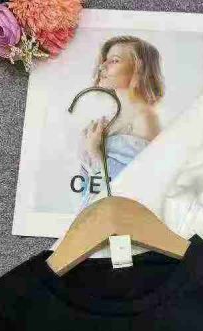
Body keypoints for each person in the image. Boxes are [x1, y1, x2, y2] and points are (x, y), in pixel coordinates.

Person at [77, 35, 164, 208]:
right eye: (105, 60)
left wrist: (94, 152)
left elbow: (137, 189)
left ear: (138, 67)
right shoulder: (108, 120)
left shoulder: (146, 120)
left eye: (115, 61)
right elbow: (87, 186)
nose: (102, 66)